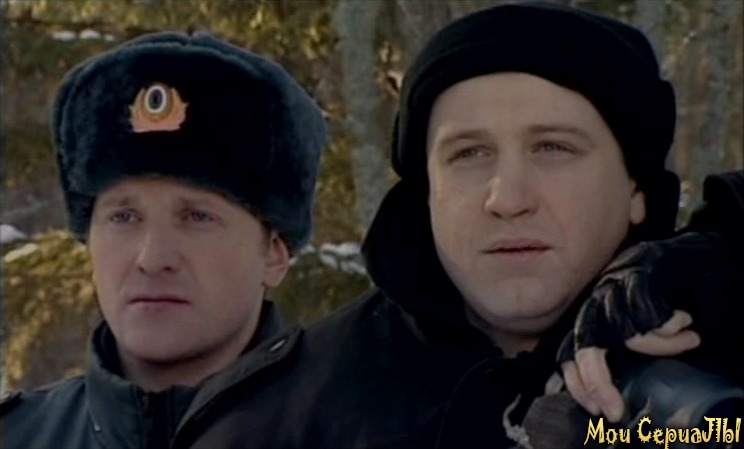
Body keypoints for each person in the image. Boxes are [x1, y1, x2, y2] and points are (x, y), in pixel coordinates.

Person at [180, 3, 744, 449]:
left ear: (636, 189)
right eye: (469, 154)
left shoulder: (718, 342)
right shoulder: (279, 417)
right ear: (426, 191)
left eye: (553, 147)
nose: (508, 199)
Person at [0, 30, 327, 449]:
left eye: (197, 217)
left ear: (275, 254)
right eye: (123, 217)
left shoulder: (363, 433)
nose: (152, 258)